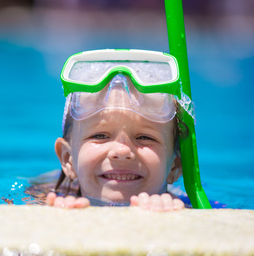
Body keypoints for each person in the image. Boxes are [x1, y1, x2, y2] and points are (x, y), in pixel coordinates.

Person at [45, 49, 189, 211]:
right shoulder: (45, 199)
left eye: (144, 137)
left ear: (175, 166)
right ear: (68, 158)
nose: (121, 151)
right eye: (100, 135)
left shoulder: (186, 208)